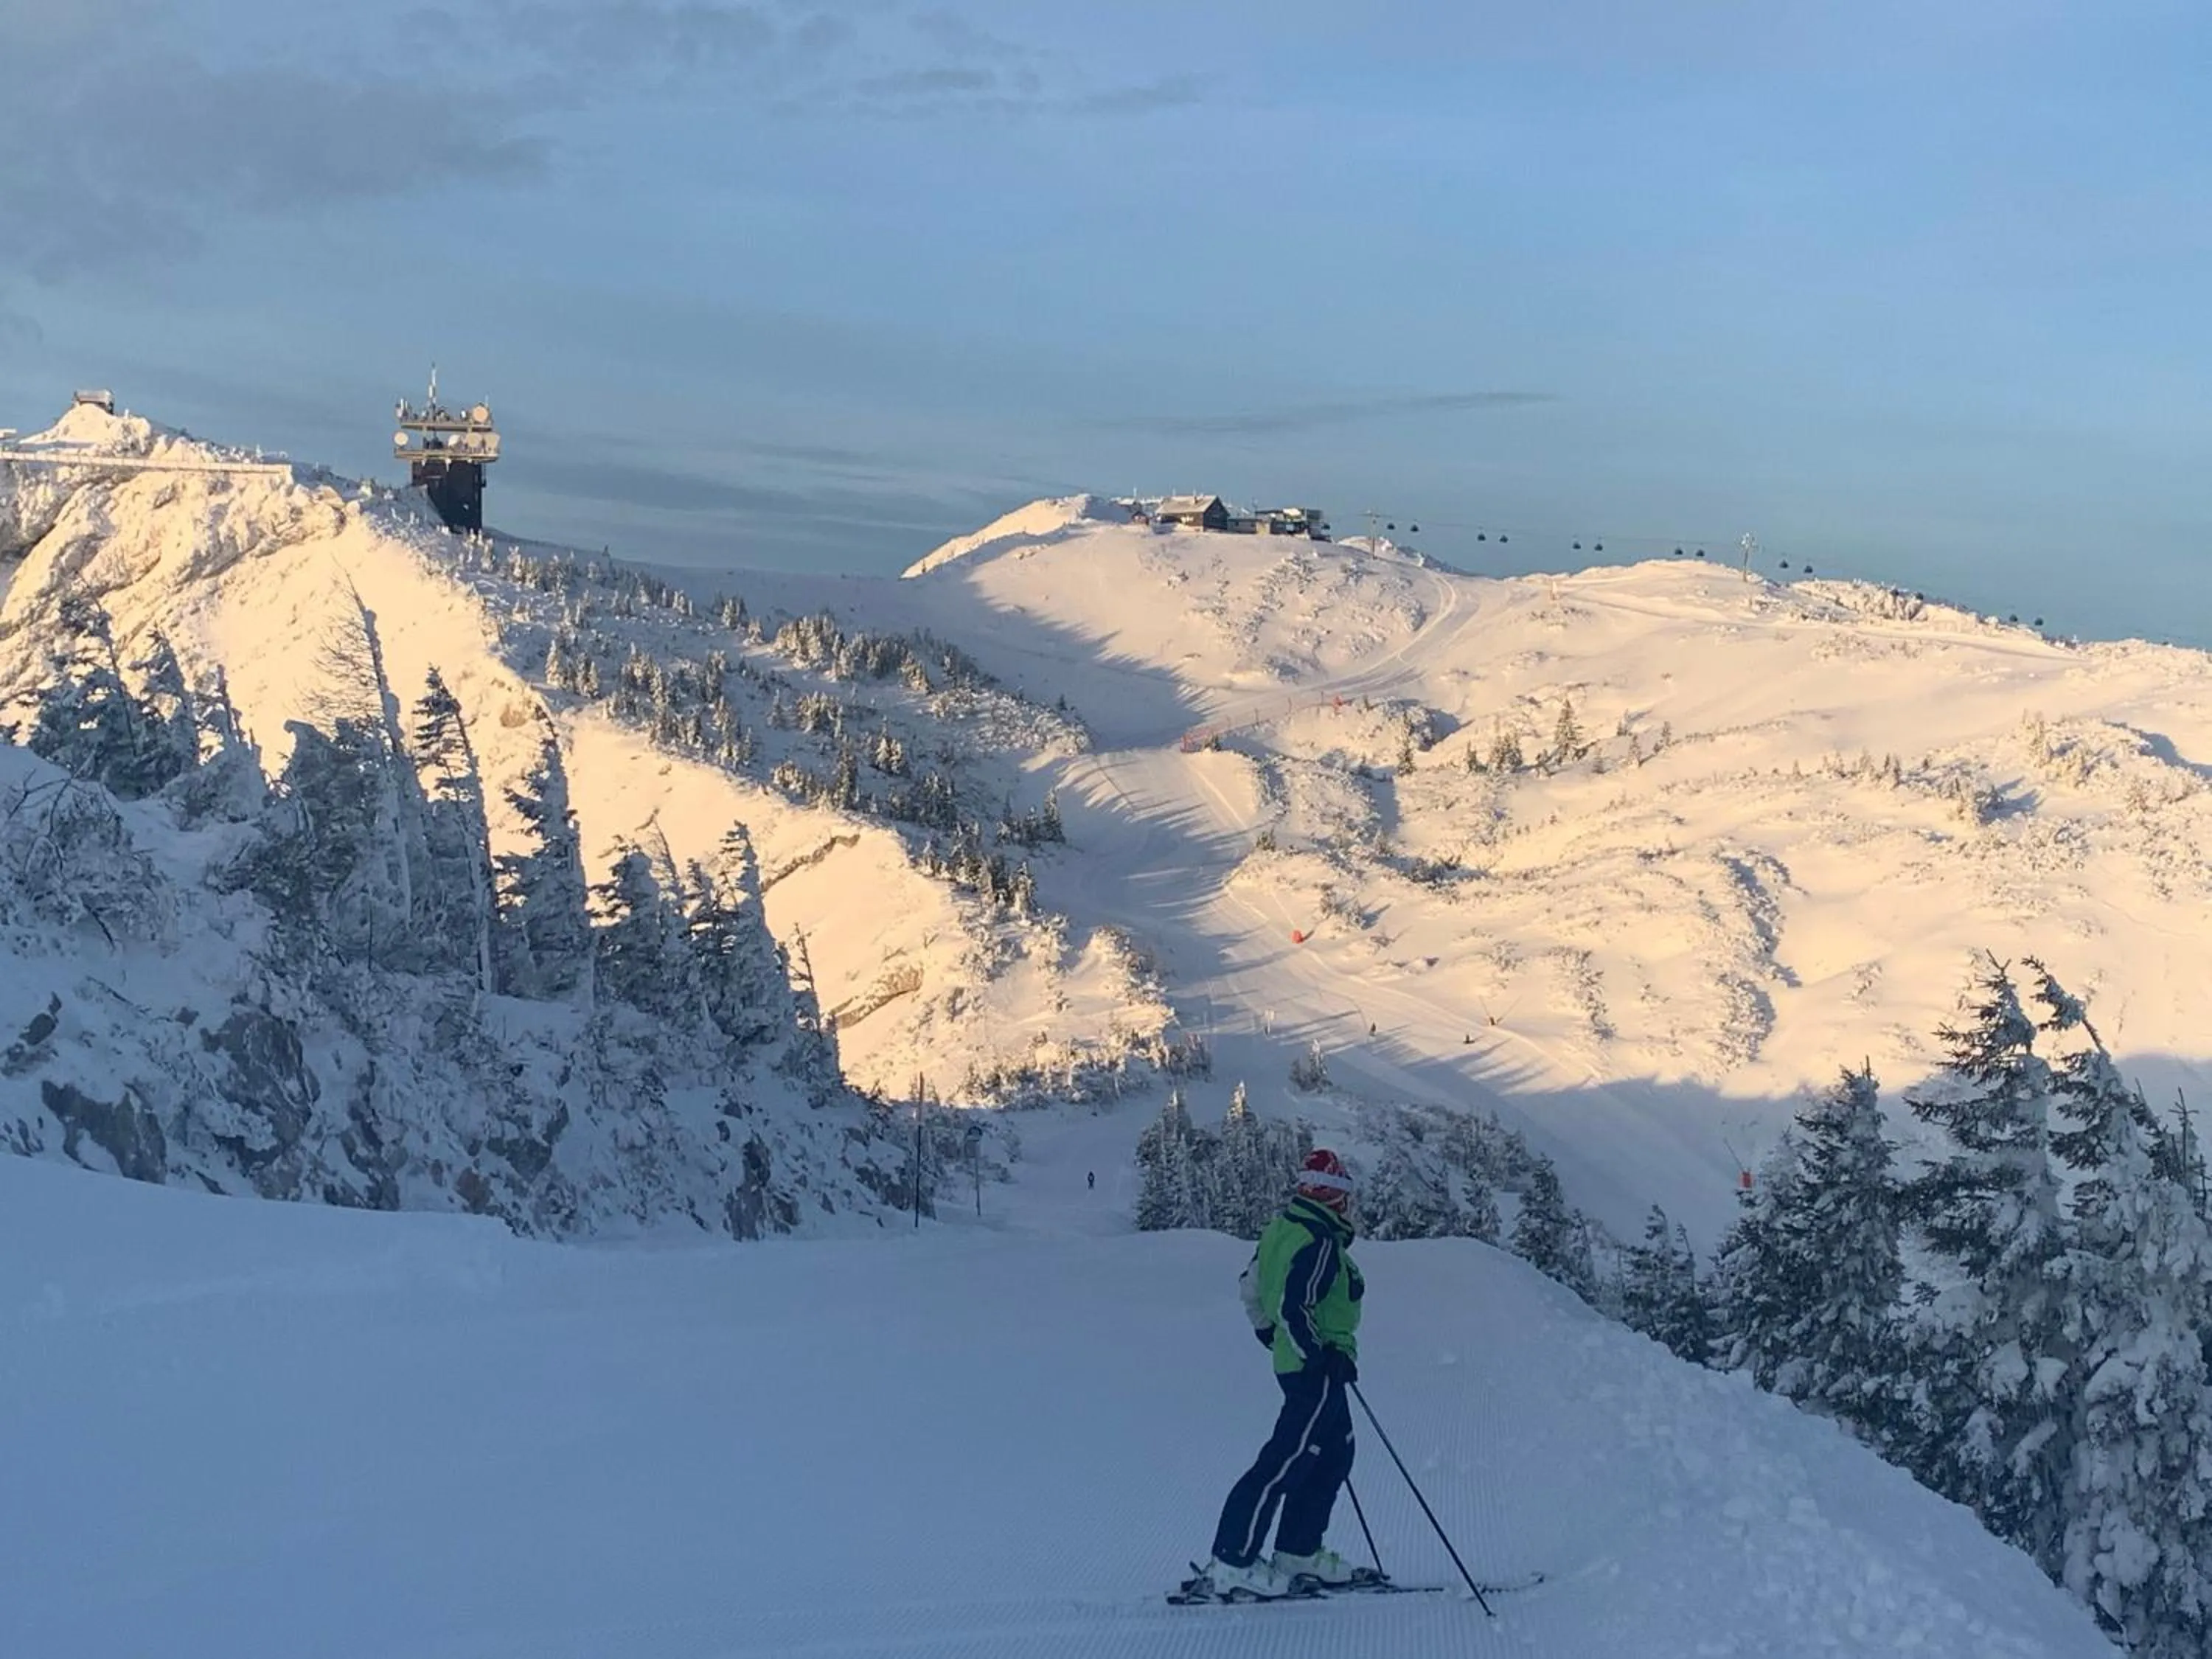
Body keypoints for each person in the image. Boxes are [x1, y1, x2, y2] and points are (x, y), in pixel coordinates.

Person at [1201, 1149, 1363, 1598]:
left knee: (1333, 1455)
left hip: (1310, 1366)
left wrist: (1268, 1334)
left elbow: (1251, 1286)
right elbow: (1295, 1307)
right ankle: (1233, 1561)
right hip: (1315, 1371)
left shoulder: (1283, 1229)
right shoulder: (1318, 1241)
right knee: (1284, 1462)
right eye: (1344, 1192)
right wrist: (1317, 1355)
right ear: (1335, 1197)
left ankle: (1298, 1551)